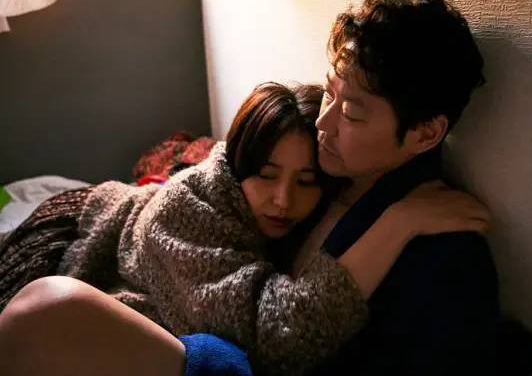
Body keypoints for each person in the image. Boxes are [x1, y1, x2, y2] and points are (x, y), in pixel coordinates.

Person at [0, 79, 489, 375]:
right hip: (76, 230)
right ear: (238, 166)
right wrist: (399, 223)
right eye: (267, 175)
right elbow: (273, 334)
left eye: (305, 181)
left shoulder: (327, 208)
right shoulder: (191, 208)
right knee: (50, 307)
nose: (283, 200)